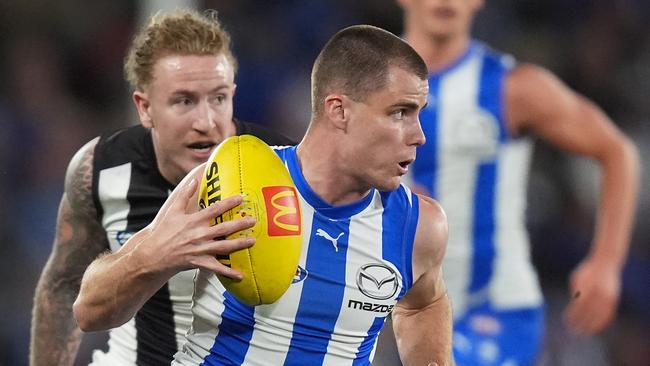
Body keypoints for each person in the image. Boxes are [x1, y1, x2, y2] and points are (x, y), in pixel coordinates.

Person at [82, 24, 451, 365]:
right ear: (339, 110)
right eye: (400, 112)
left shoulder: (420, 227)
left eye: (418, 113)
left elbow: (424, 302)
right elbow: (90, 310)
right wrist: (152, 256)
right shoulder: (231, 185)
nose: (418, 135)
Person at [30, 9, 293, 366]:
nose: (206, 122)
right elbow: (64, 286)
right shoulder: (100, 168)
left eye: (218, 98)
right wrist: (154, 255)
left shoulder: (284, 167)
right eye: (184, 101)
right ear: (145, 108)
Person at [386, 0, 640, 365]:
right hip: (391, 304)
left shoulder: (512, 87)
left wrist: (606, 263)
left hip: (494, 310)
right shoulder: (366, 85)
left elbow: (617, 152)